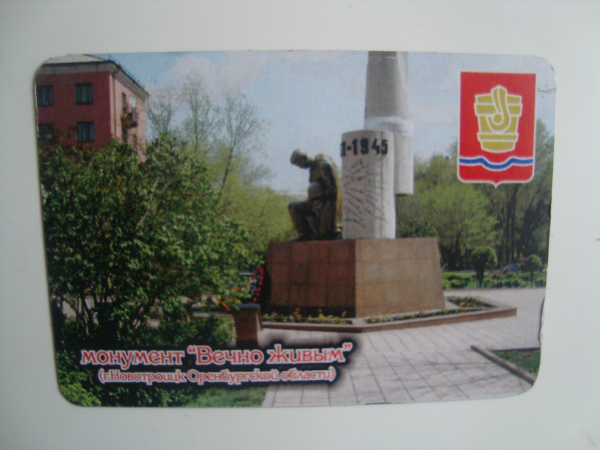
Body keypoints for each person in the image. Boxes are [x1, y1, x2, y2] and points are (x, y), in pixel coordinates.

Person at [288, 149, 342, 241]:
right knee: (293, 207)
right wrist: (312, 199)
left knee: (325, 235)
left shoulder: (323, 165)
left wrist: (318, 196)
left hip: (326, 204)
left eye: (299, 164)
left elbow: (332, 189)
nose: (300, 167)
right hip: (315, 203)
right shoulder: (312, 168)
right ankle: (305, 234)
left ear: (305, 158)